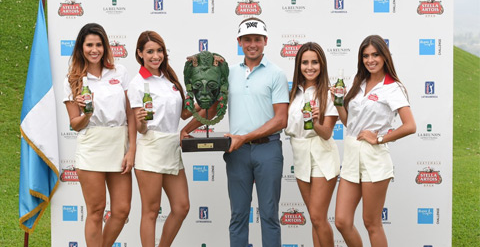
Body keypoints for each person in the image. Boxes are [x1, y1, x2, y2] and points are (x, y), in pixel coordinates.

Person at [182, 17, 289, 247]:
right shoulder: (227, 73)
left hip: (268, 149)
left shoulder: (277, 74)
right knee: (238, 216)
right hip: (236, 152)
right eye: (247, 39)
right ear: (239, 41)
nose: (253, 44)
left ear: (265, 41)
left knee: (269, 215)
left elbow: (281, 119)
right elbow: (212, 108)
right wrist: (187, 129)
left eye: (257, 39)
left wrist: (245, 138)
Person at [333, 35, 416, 247]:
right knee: (342, 221)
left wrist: (379, 138)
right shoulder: (356, 81)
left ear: (384, 56)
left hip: (374, 159)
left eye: (375, 55)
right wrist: (338, 103)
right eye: (366, 56)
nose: (370, 60)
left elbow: (410, 126)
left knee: (371, 223)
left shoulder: (393, 87)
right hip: (351, 157)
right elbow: (349, 123)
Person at [63, 23, 136, 247]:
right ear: (80, 48)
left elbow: (130, 112)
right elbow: (75, 124)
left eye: (98, 44)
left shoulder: (119, 71)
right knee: (95, 210)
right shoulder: (73, 79)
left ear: (104, 46)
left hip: (119, 144)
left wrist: (132, 148)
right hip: (92, 146)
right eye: (89, 45)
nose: (94, 50)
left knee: (122, 210)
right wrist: (87, 113)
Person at [127, 31, 193, 247]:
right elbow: (141, 128)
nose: (156, 56)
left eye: (159, 50)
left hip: (172, 147)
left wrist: (203, 101)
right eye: (150, 51)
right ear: (140, 54)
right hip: (151, 149)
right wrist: (141, 120)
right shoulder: (137, 84)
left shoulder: (170, 78)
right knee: (151, 211)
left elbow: (183, 114)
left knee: (182, 206)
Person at [284, 42, 340, 247]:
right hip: (300, 157)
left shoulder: (329, 93)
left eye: (314, 62)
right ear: (298, 65)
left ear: (322, 64)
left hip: (322, 156)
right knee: (315, 219)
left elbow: (326, 133)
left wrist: (316, 122)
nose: (310, 67)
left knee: (318, 217)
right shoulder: (293, 93)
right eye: (305, 62)